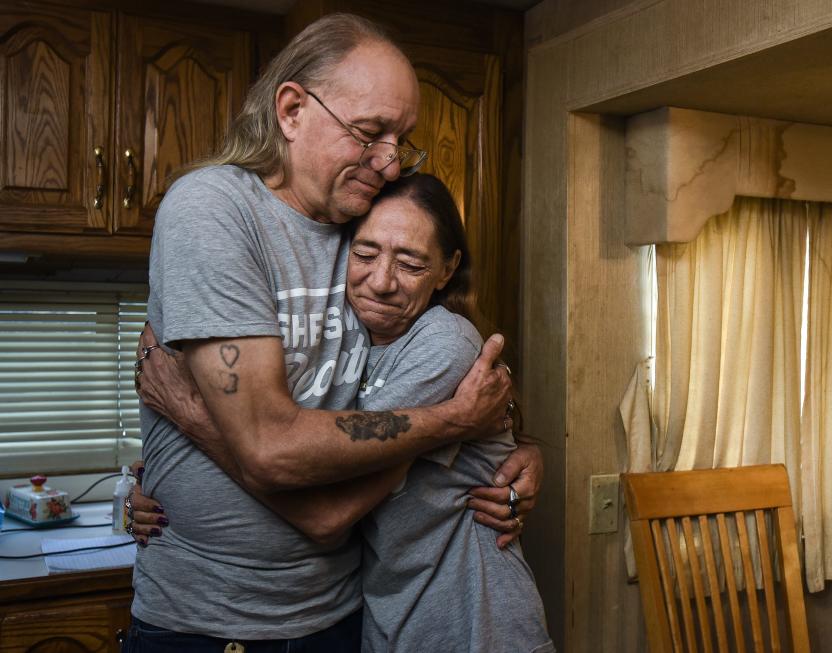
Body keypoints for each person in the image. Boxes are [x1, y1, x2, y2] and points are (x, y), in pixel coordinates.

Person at [125, 13, 541, 651]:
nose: (390, 160)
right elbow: (269, 443)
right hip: (205, 624)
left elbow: (437, 361)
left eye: (403, 139)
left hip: (341, 615)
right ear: (291, 110)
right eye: (370, 132)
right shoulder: (216, 209)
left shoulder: (365, 220)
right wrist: (457, 422)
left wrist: (519, 441)